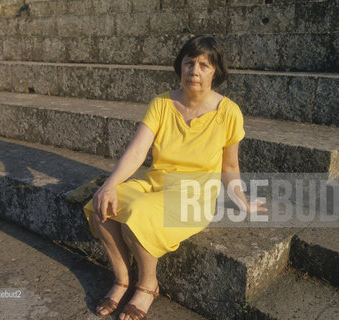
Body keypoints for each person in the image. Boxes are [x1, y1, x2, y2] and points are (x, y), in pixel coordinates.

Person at [83, 35, 267, 320]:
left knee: (137, 216)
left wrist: (242, 202)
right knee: (101, 204)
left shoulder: (228, 112)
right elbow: (136, 151)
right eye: (189, 62)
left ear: (215, 72)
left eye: (204, 65)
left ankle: (148, 285)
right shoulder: (161, 103)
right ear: (180, 66)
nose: (194, 70)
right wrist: (109, 185)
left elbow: (229, 167)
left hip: (194, 196)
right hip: (156, 185)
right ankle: (121, 279)